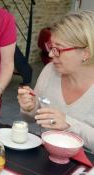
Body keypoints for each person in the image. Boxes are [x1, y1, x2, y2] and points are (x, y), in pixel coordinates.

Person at [17, 10, 94, 152]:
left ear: (85, 53)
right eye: (50, 47)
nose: (51, 54)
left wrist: (69, 124)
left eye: (58, 49)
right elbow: (33, 118)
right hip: (45, 156)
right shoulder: (50, 71)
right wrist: (30, 107)